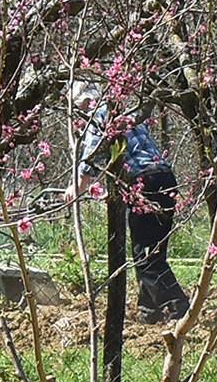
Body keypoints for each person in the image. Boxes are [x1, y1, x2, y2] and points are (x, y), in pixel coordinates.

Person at [71, 88, 190, 321]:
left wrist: (74, 189)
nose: (77, 115)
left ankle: (179, 304)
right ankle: (149, 310)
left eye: (77, 108)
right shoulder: (127, 114)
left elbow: (91, 159)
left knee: (145, 254)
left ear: (85, 101)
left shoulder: (98, 117)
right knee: (152, 250)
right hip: (165, 179)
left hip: (145, 182)